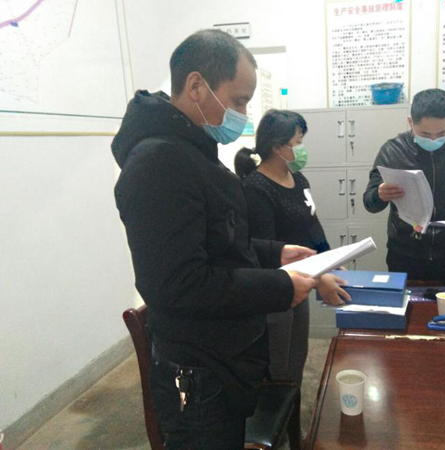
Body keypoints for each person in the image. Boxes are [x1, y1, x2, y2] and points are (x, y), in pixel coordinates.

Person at [111, 30, 318, 450]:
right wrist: (280, 287)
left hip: (226, 359)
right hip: (198, 373)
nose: (242, 113)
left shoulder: (194, 151)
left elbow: (220, 241)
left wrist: (275, 253)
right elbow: (179, 283)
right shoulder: (158, 163)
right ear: (196, 86)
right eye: (238, 101)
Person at [234, 109, 350, 387]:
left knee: (297, 357)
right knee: (278, 366)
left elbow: (313, 225)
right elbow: (267, 251)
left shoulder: (299, 180)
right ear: (277, 147)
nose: (302, 149)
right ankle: (279, 413)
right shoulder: (256, 188)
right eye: (298, 143)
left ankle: (292, 410)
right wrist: (319, 277)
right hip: (274, 292)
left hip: (302, 283)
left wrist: (330, 259)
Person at [363, 88, 445, 280]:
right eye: (425, 133)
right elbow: (369, 202)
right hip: (404, 253)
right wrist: (379, 195)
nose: (433, 139)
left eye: (442, 133)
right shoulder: (393, 151)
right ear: (410, 123)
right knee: (409, 299)